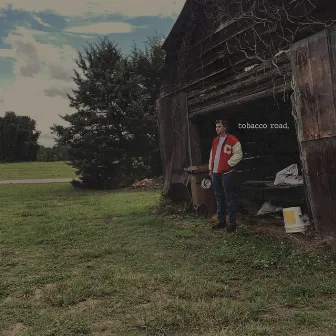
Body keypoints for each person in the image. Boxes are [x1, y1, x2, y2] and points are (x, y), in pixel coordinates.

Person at [209, 120, 243, 232]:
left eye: (219, 127)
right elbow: (212, 155)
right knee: (219, 198)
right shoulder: (215, 140)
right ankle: (221, 222)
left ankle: (232, 224)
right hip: (215, 173)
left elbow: (238, 154)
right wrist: (211, 168)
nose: (217, 129)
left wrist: (228, 164)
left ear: (225, 127)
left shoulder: (233, 140)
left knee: (230, 198)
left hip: (227, 173)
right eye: (216, 127)